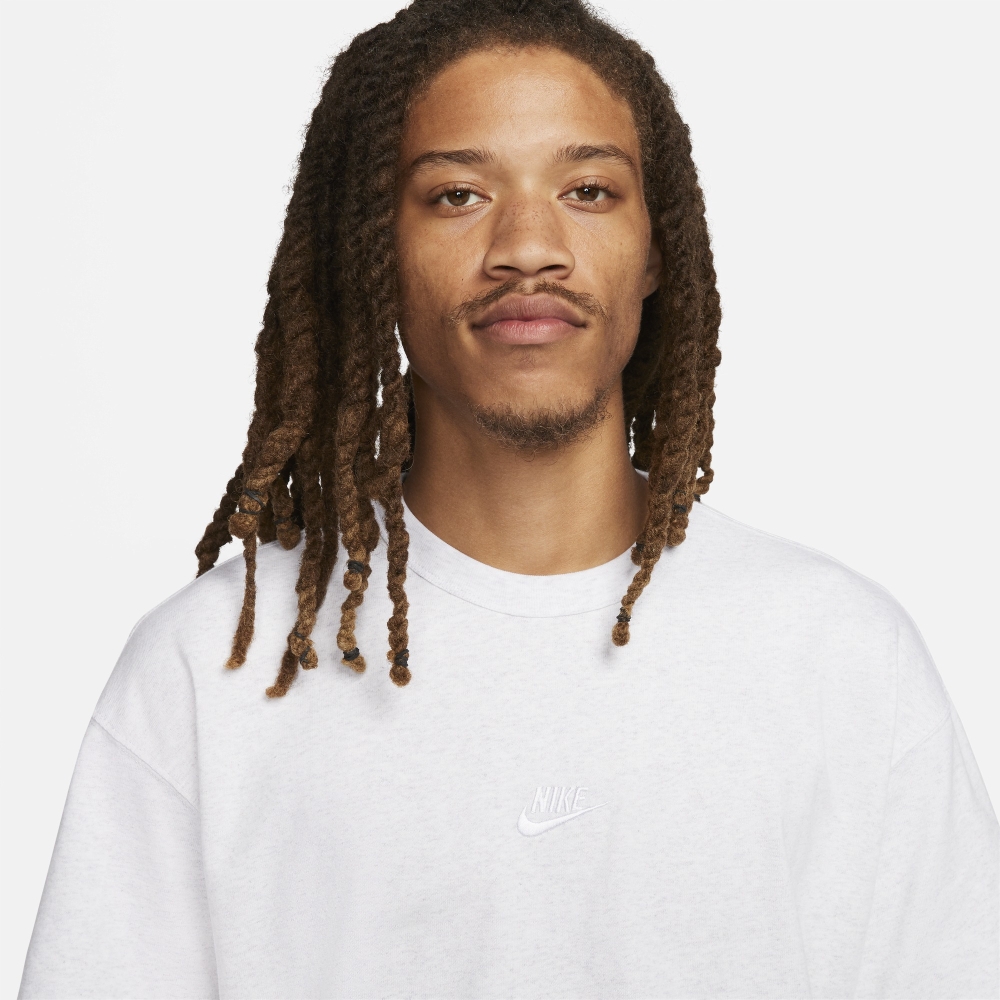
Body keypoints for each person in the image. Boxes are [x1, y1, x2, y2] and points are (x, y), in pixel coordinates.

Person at [18, 1, 999, 997]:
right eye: (456, 194)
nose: (528, 246)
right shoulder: (212, 668)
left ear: (655, 246)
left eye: (588, 190)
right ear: (375, 251)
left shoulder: (838, 656)